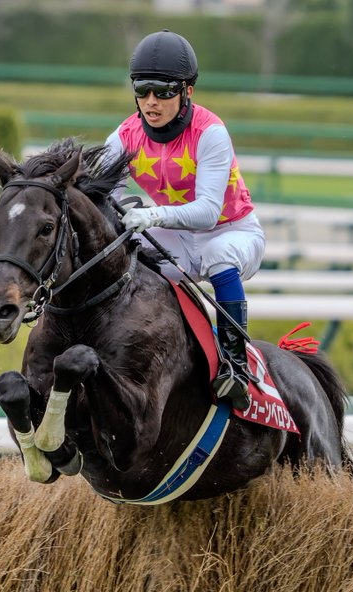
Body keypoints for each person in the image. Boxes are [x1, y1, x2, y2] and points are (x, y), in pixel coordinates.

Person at [106, 30, 265, 410]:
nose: (150, 102)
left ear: (186, 92)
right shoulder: (123, 136)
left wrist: (152, 213)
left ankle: (235, 366)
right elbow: (103, 196)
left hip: (232, 231)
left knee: (219, 255)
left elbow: (209, 211)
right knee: (124, 254)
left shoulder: (211, 133)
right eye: (143, 90)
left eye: (162, 91)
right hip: (176, 237)